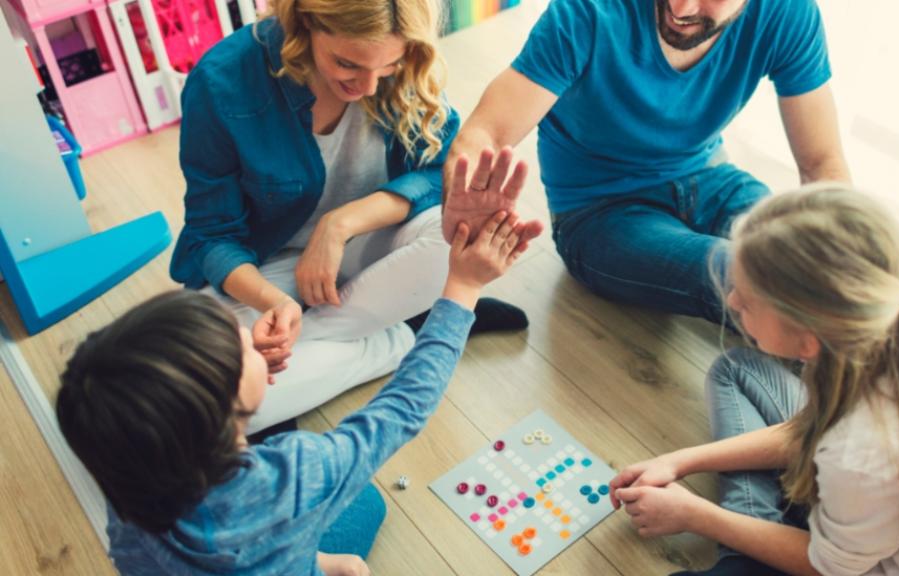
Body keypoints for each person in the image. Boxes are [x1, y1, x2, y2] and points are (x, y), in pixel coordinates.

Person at [57, 211, 529, 575]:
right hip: (284, 512)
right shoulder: (298, 473)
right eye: (238, 344)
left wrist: (315, 561)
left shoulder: (127, 492)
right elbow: (404, 405)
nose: (247, 335)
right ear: (228, 409)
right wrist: (463, 288)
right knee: (367, 502)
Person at [169, 0, 539, 435]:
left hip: (370, 246)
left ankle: (337, 348)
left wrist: (340, 224)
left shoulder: (403, 65)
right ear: (303, 23)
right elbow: (212, 235)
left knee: (452, 241)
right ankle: (408, 334)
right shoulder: (222, 82)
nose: (366, 86)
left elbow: (437, 166)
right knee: (197, 402)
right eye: (346, 64)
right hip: (266, 265)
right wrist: (277, 304)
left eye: (387, 66)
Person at [609, 185, 899, 575]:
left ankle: (747, 556)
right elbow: (807, 430)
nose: (733, 301)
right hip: (861, 507)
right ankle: (754, 542)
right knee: (738, 369)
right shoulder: (884, 328)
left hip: (864, 566)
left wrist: (695, 515)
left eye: (747, 299)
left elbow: (828, 568)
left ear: (808, 339)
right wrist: (679, 461)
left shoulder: (860, 454)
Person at [442, 0, 851, 325]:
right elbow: (488, 132)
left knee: (811, 264)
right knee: (751, 276)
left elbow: (821, 164)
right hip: (600, 213)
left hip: (712, 178)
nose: (682, 7)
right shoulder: (586, 11)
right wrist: (462, 192)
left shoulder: (789, 12)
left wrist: (850, 253)